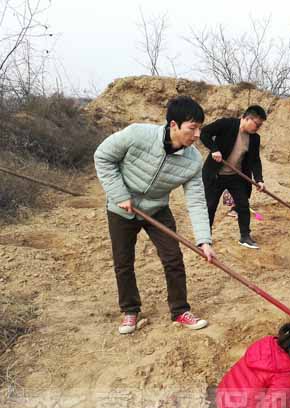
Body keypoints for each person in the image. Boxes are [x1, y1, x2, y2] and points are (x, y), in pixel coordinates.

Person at [94, 96, 216, 334]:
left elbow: (196, 200)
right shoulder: (137, 134)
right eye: (192, 128)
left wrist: (204, 240)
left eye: (200, 128)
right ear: (173, 125)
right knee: (123, 262)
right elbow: (103, 157)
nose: (198, 134)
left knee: (173, 258)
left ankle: (180, 311)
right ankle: (130, 310)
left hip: (157, 209)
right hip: (121, 208)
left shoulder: (193, 161)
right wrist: (119, 194)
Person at [201, 105, 267, 249]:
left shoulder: (254, 138)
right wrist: (214, 149)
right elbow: (204, 133)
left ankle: (245, 237)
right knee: (210, 206)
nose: (258, 128)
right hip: (215, 174)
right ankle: (205, 239)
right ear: (247, 118)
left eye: (260, 125)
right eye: (257, 124)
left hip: (235, 176)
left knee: (243, 206)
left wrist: (259, 179)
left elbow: (255, 160)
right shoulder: (227, 124)